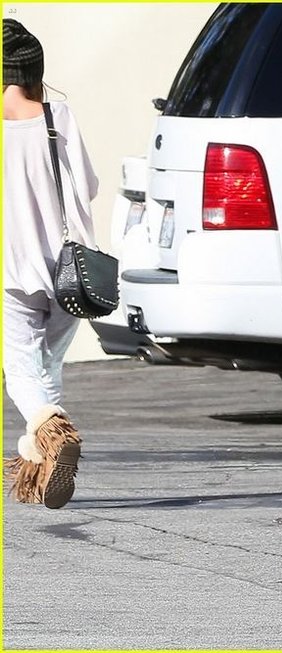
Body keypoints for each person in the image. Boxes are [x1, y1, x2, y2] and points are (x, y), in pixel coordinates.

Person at [2, 18, 97, 509]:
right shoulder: (59, 116)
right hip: (71, 272)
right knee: (46, 366)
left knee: (19, 366)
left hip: (12, 269)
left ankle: (55, 435)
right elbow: (89, 185)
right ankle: (40, 469)